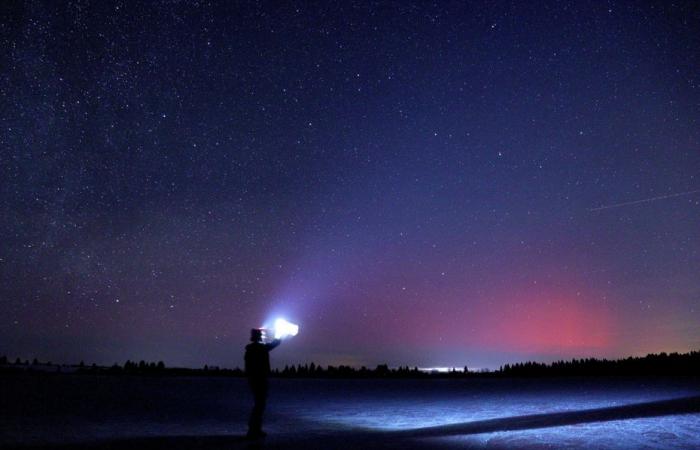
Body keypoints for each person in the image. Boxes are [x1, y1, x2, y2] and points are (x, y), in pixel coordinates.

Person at [244, 328, 281, 439]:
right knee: (260, 404)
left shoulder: (251, 349)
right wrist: (279, 334)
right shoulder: (260, 348)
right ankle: (254, 430)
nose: (263, 336)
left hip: (254, 379)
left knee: (259, 404)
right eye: (261, 335)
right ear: (259, 337)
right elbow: (275, 343)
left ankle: (254, 429)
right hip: (259, 379)